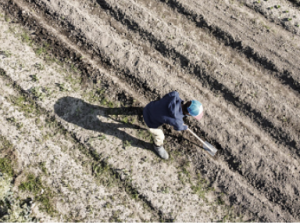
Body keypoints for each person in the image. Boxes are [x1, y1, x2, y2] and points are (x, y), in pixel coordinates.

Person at [143, 91, 203, 159]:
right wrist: (185, 127)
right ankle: (157, 147)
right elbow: (178, 128)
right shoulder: (178, 121)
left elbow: (166, 97)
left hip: (149, 106)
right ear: (188, 114)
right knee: (160, 136)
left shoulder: (174, 95)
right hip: (150, 121)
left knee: (160, 109)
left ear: (189, 101)